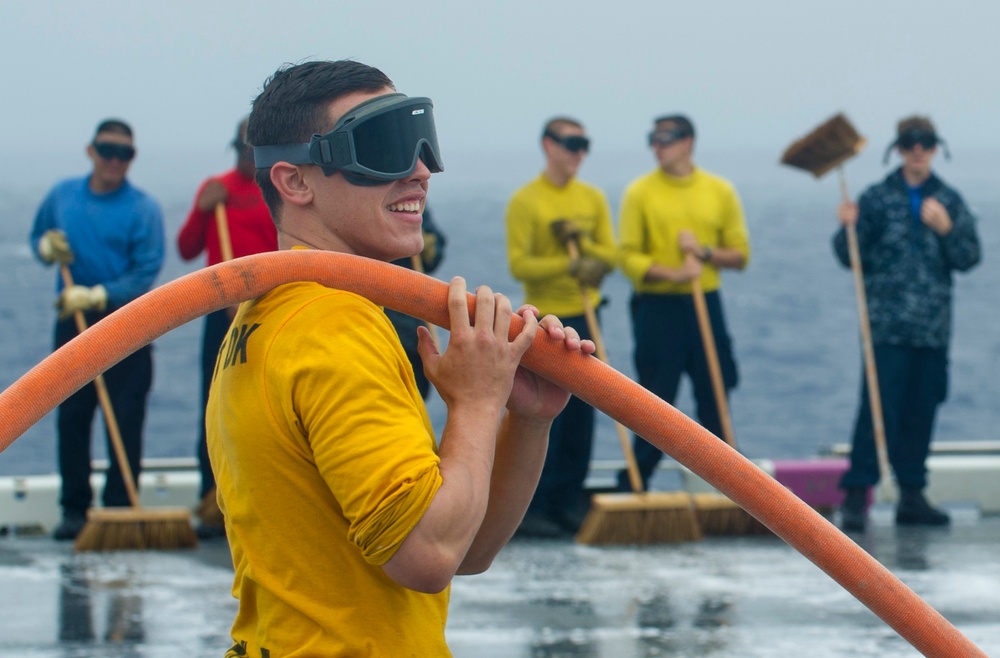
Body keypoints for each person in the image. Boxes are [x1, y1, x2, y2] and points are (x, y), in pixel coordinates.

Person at [206, 59, 594, 656]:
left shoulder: (269, 315)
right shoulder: (332, 326)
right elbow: (428, 556)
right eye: (380, 145)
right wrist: (477, 397)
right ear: (295, 181)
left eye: (422, 143)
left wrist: (526, 419)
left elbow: (466, 546)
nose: (420, 171)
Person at [835, 116, 980, 531]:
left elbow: (970, 257)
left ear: (936, 148)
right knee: (877, 411)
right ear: (898, 148)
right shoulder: (877, 198)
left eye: (927, 142)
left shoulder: (949, 200)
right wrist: (847, 225)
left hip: (933, 330)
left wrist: (947, 230)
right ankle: (856, 496)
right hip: (886, 327)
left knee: (922, 409)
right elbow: (849, 256)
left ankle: (912, 495)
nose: (918, 150)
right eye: (910, 142)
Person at [29, 119, 165, 540]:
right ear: (91, 151)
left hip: (127, 325)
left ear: (132, 158)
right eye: (107, 150)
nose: (114, 160)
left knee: (124, 419)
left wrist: (96, 295)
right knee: (72, 417)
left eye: (124, 153)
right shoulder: (61, 195)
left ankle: (121, 512)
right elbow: (40, 237)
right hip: (73, 323)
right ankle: (74, 511)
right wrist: (45, 248)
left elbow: (145, 272)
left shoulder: (144, 208)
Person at [617, 114, 750, 491]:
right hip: (658, 308)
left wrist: (705, 252)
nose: (658, 147)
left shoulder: (718, 190)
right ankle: (635, 484)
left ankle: (739, 488)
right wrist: (674, 274)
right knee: (656, 401)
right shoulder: (640, 192)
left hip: (705, 303)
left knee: (716, 392)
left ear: (688, 142)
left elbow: (740, 255)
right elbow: (627, 257)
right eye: (653, 140)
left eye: (666, 139)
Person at [505, 117, 617, 538]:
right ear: (548, 145)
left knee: (584, 411)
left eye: (584, 144)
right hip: (543, 320)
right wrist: (567, 262)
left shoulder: (592, 198)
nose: (579, 153)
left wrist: (588, 254)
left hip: (586, 314)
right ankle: (534, 505)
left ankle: (569, 499)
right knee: (542, 411)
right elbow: (520, 264)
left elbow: (611, 253)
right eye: (571, 143)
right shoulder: (526, 201)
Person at [176, 116, 277, 537]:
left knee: (267, 404)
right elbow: (186, 249)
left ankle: (266, 496)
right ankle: (211, 497)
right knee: (214, 402)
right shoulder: (215, 189)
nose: (245, 159)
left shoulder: (278, 193)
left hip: (269, 310)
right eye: (240, 151)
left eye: (253, 151)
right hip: (220, 313)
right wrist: (202, 211)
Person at [386, 206, 447, 399]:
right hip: (384, 318)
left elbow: (433, 255)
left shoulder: (413, 204)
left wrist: (420, 238)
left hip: (412, 322)